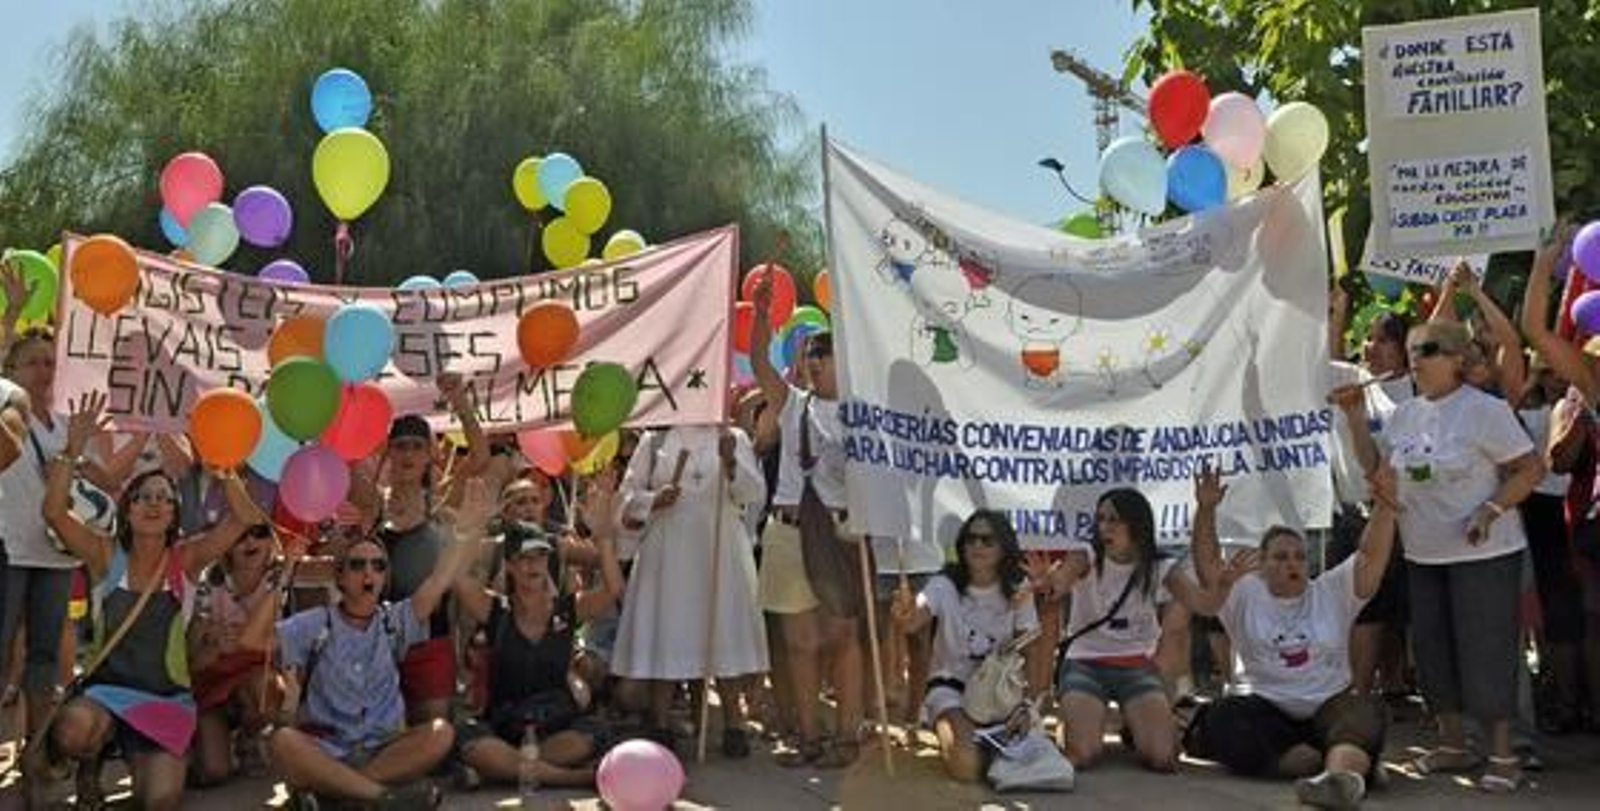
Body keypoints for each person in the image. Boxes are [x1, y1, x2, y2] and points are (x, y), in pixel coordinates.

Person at [1343, 318, 1544, 793]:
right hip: (1423, 553)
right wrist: (1353, 416)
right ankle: (1454, 744)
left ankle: (1503, 753)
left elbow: (1531, 467)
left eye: (1428, 348)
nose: (1417, 357)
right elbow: (1376, 469)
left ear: (1458, 359)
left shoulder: (1484, 410)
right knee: (1433, 651)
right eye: (1413, 349)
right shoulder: (1406, 414)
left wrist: (1490, 510)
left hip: (1485, 554)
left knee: (1487, 651)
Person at [40, 392, 260, 810]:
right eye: (143, 496)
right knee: (74, 731)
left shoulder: (188, 560)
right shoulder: (106, 554)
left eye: (165, 497)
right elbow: (53, 513)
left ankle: (138, 756)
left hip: (163, 700)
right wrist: (72, 451)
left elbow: (246, 521)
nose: (155, 503)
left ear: (176, 515)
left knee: (158, 800)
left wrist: (223, 466)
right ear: (127, 511)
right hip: (107, 693)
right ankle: (94, 755)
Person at [1182, 455, 1398, 809]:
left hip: (1331, 706)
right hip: (1270, 713)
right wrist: (1206, 509)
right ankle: (1328, 766)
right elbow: (1208, 566)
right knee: (1223, 718)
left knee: (1364, 711)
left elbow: (1369, 558)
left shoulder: (1331, 590)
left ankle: (1339, 779)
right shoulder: (1244, 592)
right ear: (1261, 564)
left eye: (1298, 556)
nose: (1292, 563)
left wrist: (1386, 506)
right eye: (1280, 557)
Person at [267, 479, 488, 808]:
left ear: (385, 578)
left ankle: (337, 792)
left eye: (378, 566)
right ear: (340, 577)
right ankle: (382, 797)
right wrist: (284, 573)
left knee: (441, 732)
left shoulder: (395, 620)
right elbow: (254, 640)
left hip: (385, 749)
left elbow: (439, 580)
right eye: (357, 565)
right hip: (329, 747)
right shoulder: (317, 622)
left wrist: (467, 531)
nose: (368, 572)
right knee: (282, 741)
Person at [0, 317, 135, 770]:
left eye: (50, 362)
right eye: (32, 362)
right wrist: (11, 314)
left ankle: (35, 754)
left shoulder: (66, 420)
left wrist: (82, 452)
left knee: (44, 661)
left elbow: (103, 480)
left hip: (56, 556)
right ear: (11, 369)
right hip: (9, 548)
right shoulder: (6, 413)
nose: (43, 370)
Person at [751, 273, 868, 769]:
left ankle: (847, 733)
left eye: (826, 351)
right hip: (788, 532)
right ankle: (807, 734)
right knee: (798, 643)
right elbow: (759, 365)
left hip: (842, 533)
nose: (815, 359)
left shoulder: (867, 416)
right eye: (811, 352)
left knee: (843, 637)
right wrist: (760, 317)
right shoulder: (792, 402)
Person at [1026, 487, 1220, 772]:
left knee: (1163, 759)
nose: (1104, 526)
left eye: (1114, 520)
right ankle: (1078, 723)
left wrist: (1206, 511)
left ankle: (1135, 722)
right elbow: (1061, 582)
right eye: (1101, 519)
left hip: (1138, 668)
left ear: (1136, 524)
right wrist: (1048, 584)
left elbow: (1205, 605)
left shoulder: (1159, 565)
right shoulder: (1085, 554)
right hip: (1085, 664)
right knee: (1084, 754)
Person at [455, 473, 627, 787]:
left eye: (540, 557)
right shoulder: (495, 609)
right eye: (523, 558)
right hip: (503, 725)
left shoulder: (568, 608)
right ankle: (573, 778)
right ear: (509, 565)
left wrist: (603, 537)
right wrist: (470, 530)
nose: (533, 566)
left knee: (590, 734)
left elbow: (614, 588)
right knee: (470, 739)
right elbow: (460, 582)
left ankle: (509, 770)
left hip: (555, 727)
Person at [613, 423, 769, 756]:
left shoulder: (733, 436)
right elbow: (625, 497)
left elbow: (753, 494)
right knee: (669, 630)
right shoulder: (654, 441)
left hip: (719, 547)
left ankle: (733, 723)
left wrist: (731, 464)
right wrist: (654, 499)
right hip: (669, 550)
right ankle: (660, 721)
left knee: (722, 629)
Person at [349, 373, 488, 725]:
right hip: (379, 639)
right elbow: (340, 458)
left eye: (417, 446)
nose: (408, 453)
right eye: (400, 446)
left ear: (430, 455)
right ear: (387, 452)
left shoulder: (440, 504)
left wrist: (460, 402)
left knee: (433, 729)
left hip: (432, 640)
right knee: (381, 729)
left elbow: (481, 458)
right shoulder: (372, 503)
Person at [889, 510, 1040, 782]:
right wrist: (903, 612)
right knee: (965, 767)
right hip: (951, 689)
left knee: (1021, 753)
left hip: (1000, 692)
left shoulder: (1019, 586)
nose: (977, 546)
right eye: (970, 539)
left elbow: (1028, 649)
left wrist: (1028, 707)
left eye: (987, 540)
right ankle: (965, 739)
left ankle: (981, 743)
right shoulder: (943, 584)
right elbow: (913, 620)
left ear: (1004, 547)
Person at [187, 523, 286, 786]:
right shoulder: (209, 582)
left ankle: (249, 736)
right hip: (211, 687)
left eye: (260, 533)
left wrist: (248, 643)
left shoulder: (283, 576)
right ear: (226, 544)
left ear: (271, 539)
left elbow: (293, 644)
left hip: (255, 679)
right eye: (240, 535)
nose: (250, 541)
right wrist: (215, 647)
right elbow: (192, 663)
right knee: (214, 773)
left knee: (265, 686)